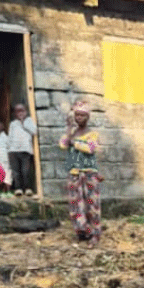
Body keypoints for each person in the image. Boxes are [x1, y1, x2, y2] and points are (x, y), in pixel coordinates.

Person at [59, 101, 101, 248]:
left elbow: (91, 149)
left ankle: (95, 234)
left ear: (88, 117)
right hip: (74, 173)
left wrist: (74, 143)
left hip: (89, 173)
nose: (79, 118)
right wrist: (69, 129)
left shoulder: (93, 134)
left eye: (82, 115)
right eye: (77, 115)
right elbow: (63, 144)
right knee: (76, 204)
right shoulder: (72, 132)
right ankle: (82, 232)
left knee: (91, 204)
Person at [8, 103, 38, 196]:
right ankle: (18, 189)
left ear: (26, 112)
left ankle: (27, 188)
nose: (20, 113)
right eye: (18, 111)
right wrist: (9, 149)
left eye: (22, 111)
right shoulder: (13, 123)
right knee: (16, 171)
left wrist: (23, 122)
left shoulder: (29, 121)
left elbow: (34, 131)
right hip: (13, 151)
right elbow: (10, 137)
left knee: (26, 171)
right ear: (15, 114)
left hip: (26, 150)